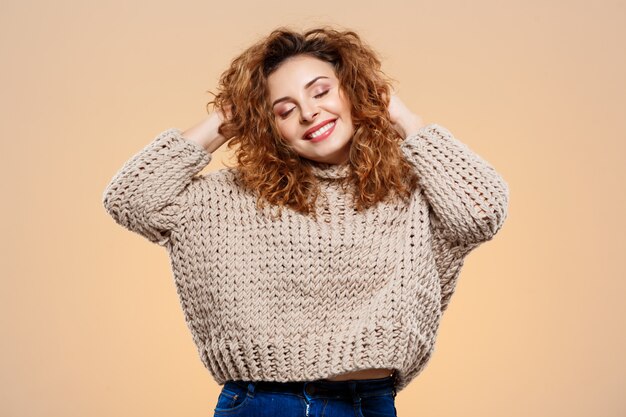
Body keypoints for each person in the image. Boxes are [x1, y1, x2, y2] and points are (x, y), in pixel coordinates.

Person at [102, 26, 509, 417]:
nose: (309, 112)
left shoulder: (413, 187)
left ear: (354, 90)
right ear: (268, 125)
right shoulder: (229, 196)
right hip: (263, 405)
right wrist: (224, 121)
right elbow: (132, 199)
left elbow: (482, 212)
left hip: (367, 403)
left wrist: (400, 115)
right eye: (284, 109)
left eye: (321, 91)